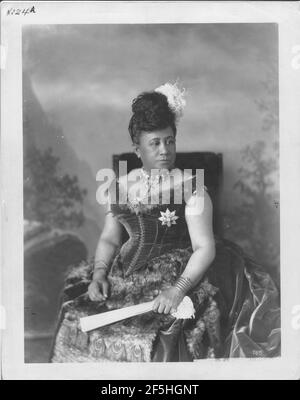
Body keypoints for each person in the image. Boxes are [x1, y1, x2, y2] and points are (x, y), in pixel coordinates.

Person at [50, 83, 280, 362]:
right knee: (74, 318)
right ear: (137, 150)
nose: (165, 150)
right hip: (123, 275)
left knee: (161, 334)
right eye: (155, 143)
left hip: (179, 272)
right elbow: (110, 238)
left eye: (170, 141)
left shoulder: (191, 187)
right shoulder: (120, 184)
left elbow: (204, 247)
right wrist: (99, 274)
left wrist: (177, 290)